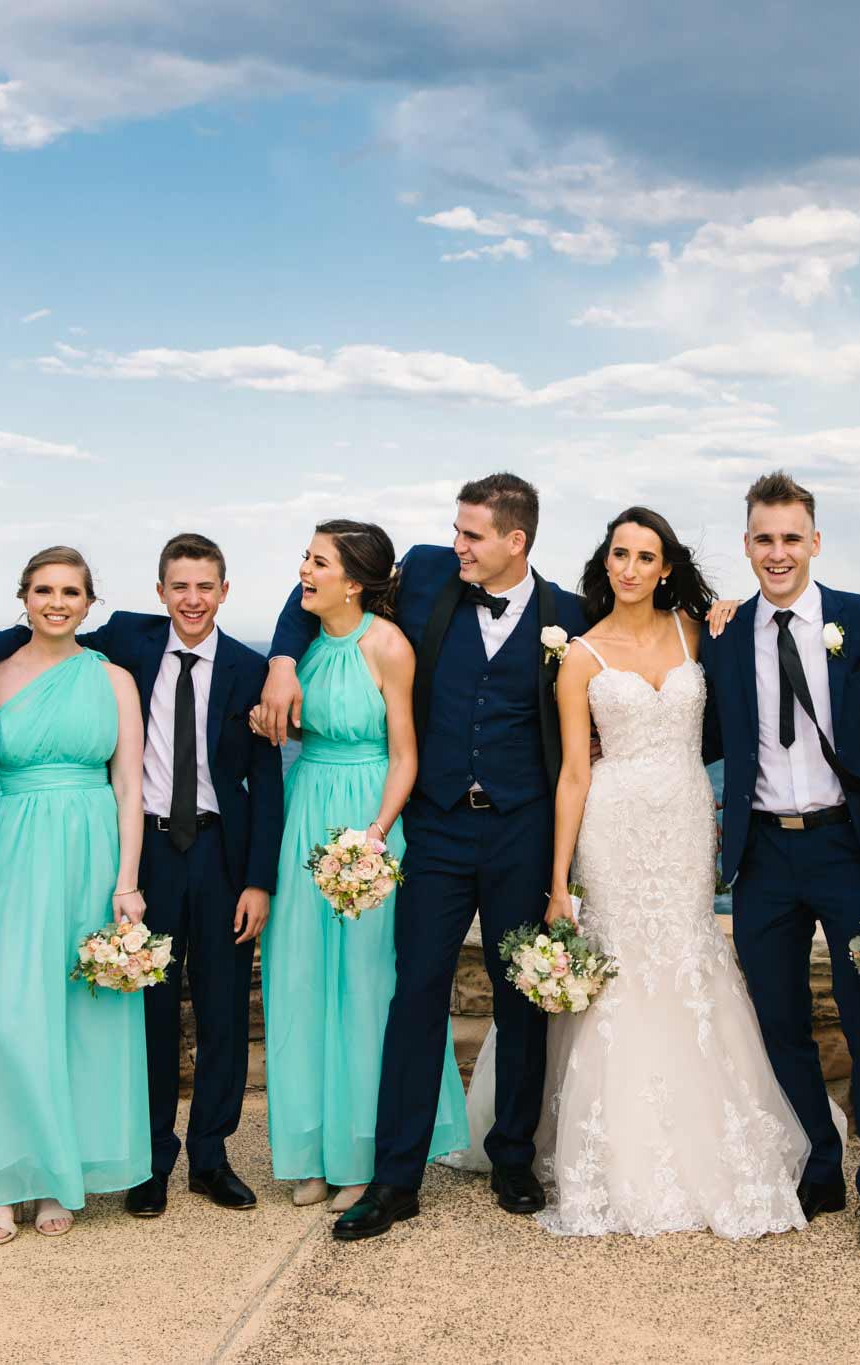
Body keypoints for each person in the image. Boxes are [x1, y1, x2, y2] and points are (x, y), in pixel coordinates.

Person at [254, 473, 590, 1242]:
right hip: (434, 828)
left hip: (522, 831)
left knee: (521, 996)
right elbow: (318, 589)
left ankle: (513, 1157)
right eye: (456, 528)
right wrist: (280, 659)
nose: (456, 543)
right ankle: (396, 1177)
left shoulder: (566, 614)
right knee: (413, 995)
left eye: (472, 534)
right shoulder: (431, 571)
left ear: (517, 540)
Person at [463, 506, 810, 1237]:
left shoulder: (698, 632)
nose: (628, 567)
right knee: (620, 968)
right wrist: (558, 883)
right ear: (607, 562)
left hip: (685, 819)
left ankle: (711, 1134)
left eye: (644, 556)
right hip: (612, 825)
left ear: (665, 567)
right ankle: (612, 1147)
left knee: (687, 956)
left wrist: (725, 611)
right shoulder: (580, 655)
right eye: (618, 553)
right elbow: (572, 776)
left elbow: (751, 688)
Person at [0, 534, 283, 1217]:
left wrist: (259, 879)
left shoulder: (249, 669)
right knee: (144, 1011)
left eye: (205, 586)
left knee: (222, 1012)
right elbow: (44, 621)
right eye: (179, 585)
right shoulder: (128, 640)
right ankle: (151, 1161)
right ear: (158, 593)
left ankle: (211, 1157)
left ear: (224, 591)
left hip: (219, 854)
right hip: (142, 850)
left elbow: (265, 779)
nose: (192, 598)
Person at [701, 470, 860, 1254]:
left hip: (848, 845)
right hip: (762, 852)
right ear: (746, 545)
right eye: (763, 539)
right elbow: (701, 733)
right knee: (777, 1020)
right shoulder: (725, 632)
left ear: (815, 541)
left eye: (791, 538)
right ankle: (821, 1158)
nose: (778, 553)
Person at [0, 546, 151, 1242]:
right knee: (5, 1013)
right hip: (13, 849)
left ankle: (60, 1176)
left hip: (92, 852)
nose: (58, 601)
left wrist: (128, 883)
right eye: (45, 589)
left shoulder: (115, 678)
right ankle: (4, 1180)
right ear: (23, 597)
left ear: (91, 603)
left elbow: (128, 787)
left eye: (72, 591)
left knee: (77, 1017)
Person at [261, 522, 466, 1212]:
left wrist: (374, 836)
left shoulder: (387, 645)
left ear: (354, 581)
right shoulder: (303, 648)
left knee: (366, 986)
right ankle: (309, 1151)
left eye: (316, 561)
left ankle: (361, 1150)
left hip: (370, 818)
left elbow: (406, 752)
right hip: (306, 812)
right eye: (305, 558)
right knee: (301, 980)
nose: (303, 570)